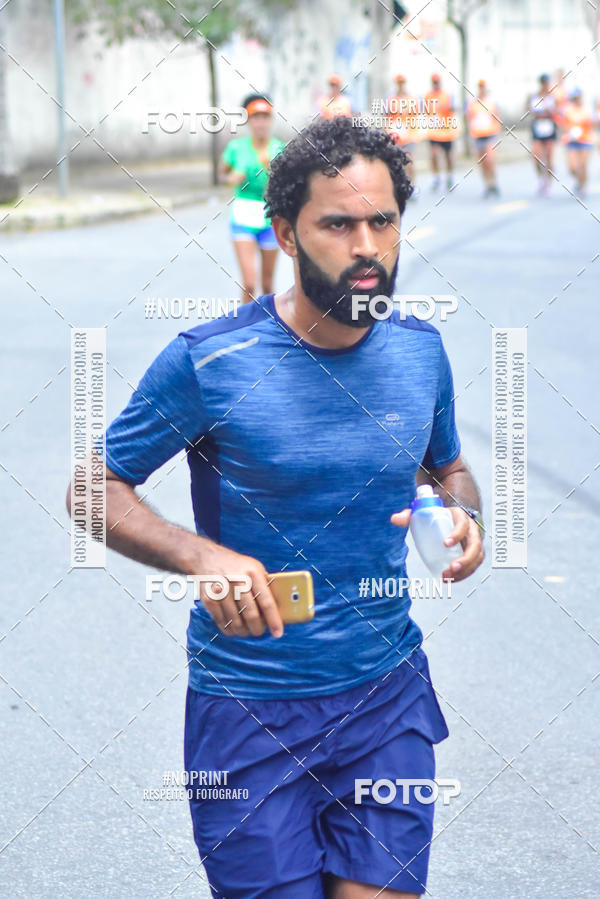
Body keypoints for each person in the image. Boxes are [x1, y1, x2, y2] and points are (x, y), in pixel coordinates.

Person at [74, 117, 485, 898]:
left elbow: (449, 469)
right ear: (287, 234)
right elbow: (93, 485)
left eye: (383, 221)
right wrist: (199, 554)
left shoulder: (420, 351)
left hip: (386, 696)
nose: (366, 246)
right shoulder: (211, 360)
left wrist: (464, 519)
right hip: (249, 710)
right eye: (338, 225)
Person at [219, 93, 285, 304]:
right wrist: (231, 178)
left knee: (267, 285)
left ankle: (267, 324)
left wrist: (270, 169)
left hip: (270, 218)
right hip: (243, 215)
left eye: (265, 117)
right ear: (249, 121)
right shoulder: (236, 148)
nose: (260, 123)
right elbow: (221, 175)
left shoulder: (278, 148)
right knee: (249, 284)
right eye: (256, 118)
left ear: (270, 120)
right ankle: (245, 322)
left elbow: (287, 183)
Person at [387, 73, 423, 190]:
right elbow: (386, 117)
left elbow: (417, 115)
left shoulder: (412, 99)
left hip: (410, 135)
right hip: (395, 136)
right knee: (397, 163)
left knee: (409, 161)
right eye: (398, 83)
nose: (400, 85)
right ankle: (399, 187)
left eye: (402, 83)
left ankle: (411, 186)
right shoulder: (390, 99)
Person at [424, 73, 460, 191]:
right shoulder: (427, 96)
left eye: (437, 82)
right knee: (434, 154)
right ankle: (436, 177)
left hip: (447, 132)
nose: (436, 84)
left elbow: (453, 110)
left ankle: (449, 176)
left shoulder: (447, 96)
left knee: (448, 156)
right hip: (434, 132)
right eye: (434, 82)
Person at [467, 79, 501, 197]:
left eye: (483, 87)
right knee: (482, 162)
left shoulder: (491, 102)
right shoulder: (472, 103)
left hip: (490, 135)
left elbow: (497, 117)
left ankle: (493, 182)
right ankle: (487, 184)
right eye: (480, 87)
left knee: (489, 160)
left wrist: (496, 130)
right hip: (478, 135)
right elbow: (469, 118)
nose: (481, 89)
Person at [559, 87, 596, 197]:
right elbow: (562, 124)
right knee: (573, 167)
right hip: (572, 141)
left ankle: (583, 185)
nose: (576, 99)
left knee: (583, 165)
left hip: (585, 140)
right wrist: (569, 132)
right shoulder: (567, 110)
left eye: (578, 97)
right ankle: (578, 181)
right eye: (574, 98)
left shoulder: (587, 110)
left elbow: (593, 123)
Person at [529, 74, 558, 196]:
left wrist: (547, 111)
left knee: (549, 157)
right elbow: (531, 111)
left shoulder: (552, 97)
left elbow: (555, 112)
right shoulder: (534, 97)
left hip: (549, 128)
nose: (545, 86)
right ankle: (541, 179)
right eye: (543, 83)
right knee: (536, 156)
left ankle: (549, 183)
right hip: (538, 129)